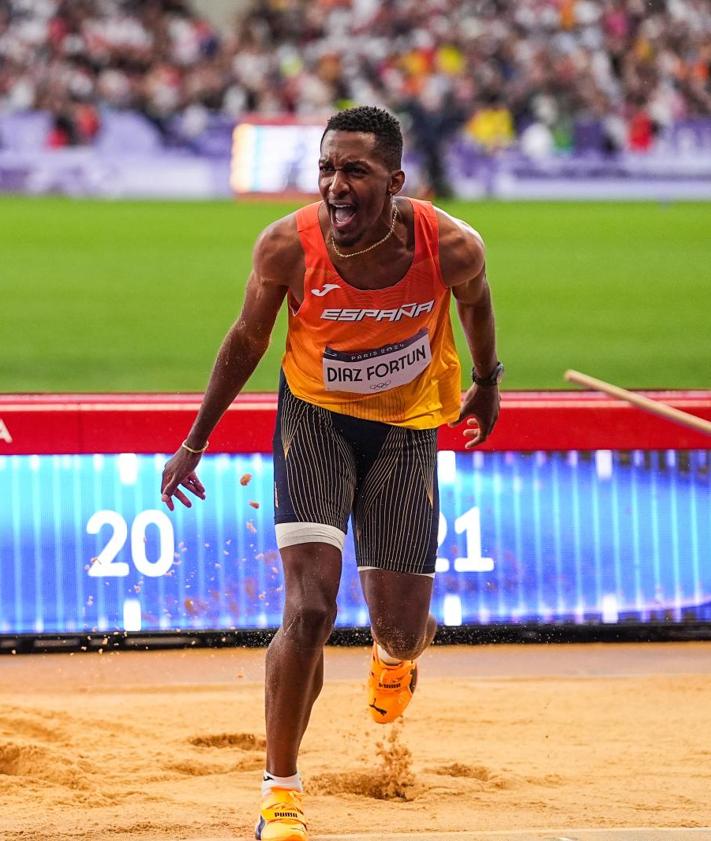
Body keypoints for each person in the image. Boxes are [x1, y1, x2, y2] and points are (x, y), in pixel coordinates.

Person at [160, 105, 502, 841]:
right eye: (325, 170)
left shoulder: (452, 246)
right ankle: (279, 791)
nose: (335, 186)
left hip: (408, 429)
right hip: (314, 422)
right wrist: (194, 440)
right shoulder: (287, 245)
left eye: (354, 171)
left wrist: (487, 380)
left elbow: (475, 303)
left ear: (395, 179)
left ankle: (393, 657)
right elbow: (246, 339)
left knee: (402, 627)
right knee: (310, 609)